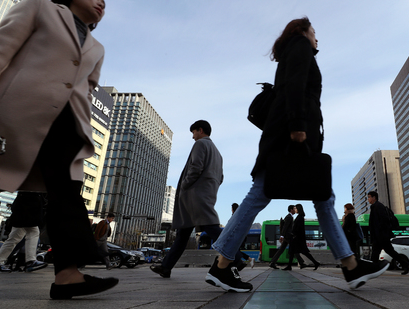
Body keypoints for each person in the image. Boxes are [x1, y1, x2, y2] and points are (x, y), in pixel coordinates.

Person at [206, 17, 388, 292]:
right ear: (302, 31)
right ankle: (221, 267)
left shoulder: (292, 52)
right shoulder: (300, 47)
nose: (317, 38)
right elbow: (295, 88)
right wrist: (298, 128)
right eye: (315, 32)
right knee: (280, 196)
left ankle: (351, 266)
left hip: (285, 139)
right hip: (290, 141)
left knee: (318, 197)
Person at [0, 0, 118, 299]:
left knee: (66, 192)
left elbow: (88, 88)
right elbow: (1, 43)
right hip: (19, 110)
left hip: (67, 123)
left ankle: (67, 275)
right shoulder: (40, 7)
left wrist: (85, 123)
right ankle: (70, 271)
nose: (101, 2)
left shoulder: (97, 47)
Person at [150, 120, 224, 279]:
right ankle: (165, 267)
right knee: (183, 235)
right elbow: (221, 177)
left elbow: (195, 167)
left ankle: (238, 257)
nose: (193, 137)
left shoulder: (201, 144)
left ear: (200, 130)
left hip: (194, 196)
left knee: (210, 227)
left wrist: (185, 184)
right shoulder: (218, 153)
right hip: (207, 194)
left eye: (193, 133)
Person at [0, 192, 48, 273]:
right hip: (28, 215)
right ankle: (30, 261)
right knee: (33, 232)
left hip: (21, 216)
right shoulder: (33, 190)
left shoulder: (25, 190)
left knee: (13, 239)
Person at [367, 191, 409, 274]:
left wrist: (379, 234)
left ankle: (372, 270)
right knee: (383, 253)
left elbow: (383, 222)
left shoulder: (378, 206)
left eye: (369, 197)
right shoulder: (375, 206)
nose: (368, 199)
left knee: (382, 253)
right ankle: (406, 265)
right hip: (380, 236)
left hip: (381, 236)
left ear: (374, 197)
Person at [283, 204, 321, 271]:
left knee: (301, 252)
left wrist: (293, 233)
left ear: (298, 209)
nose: (295, 210)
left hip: (297, 239)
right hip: (296, 238)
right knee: (293, 252)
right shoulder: (300, 217)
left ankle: (316, 263)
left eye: (296, 208)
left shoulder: (300, 217)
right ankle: (289, 266)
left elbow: (299, 228)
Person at [231, 203, 254, 270]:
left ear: (232, 209)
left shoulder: (234, 217)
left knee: (233, 251)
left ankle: (241, 262)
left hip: (236, 237)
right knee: (235, 251)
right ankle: (247, 260)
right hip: (242, 237)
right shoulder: (241, 215)